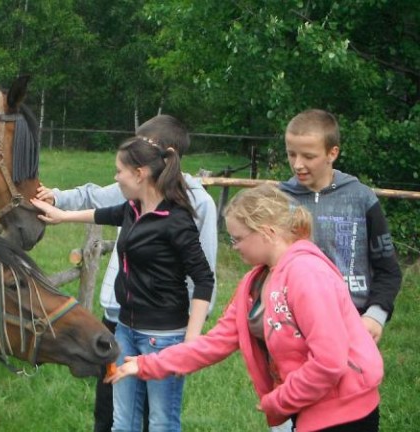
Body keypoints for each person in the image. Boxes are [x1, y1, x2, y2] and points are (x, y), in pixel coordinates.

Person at [107, 184, 384, 431]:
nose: (235, 247)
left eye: (237, 238)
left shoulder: (307, 273)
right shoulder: (255, 283)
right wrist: (148, 364)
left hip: (345, 415)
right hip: (308, 410)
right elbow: (215, 343)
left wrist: (279, 399)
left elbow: (329, 361)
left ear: (266, 232)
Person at [34, 115, 218, 432]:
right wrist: (60, 208)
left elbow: (204, 276)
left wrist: (190, 338)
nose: (118, 175)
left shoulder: (187, 210)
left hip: (163, 331)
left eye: (126, 165)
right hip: (122, 323)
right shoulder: (132, 204)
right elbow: (98, 206)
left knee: (159, 418)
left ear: (145, 168)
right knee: (117, 417)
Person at [279, 108, 402, 343]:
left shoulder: (362, 199)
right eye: (291, 154)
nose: (298, 164)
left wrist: (375, 316)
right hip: (291, 327)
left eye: (308, 156)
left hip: (352, 324)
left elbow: (389, 271)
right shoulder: (276, 200)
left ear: (332, 153)